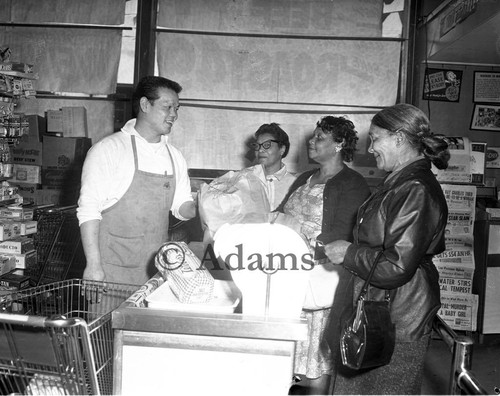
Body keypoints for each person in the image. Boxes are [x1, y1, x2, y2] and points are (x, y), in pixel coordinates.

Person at [324, 103, 449, 395]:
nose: (370, 148)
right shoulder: (399, 183)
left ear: (399, 138)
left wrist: (348, 253)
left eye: (376, 138)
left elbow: (396, 266)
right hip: (380, 308)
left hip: (397, 317)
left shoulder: (415, 188)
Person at [277, 116, 371, 395]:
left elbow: (346, 232)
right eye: (314, 136)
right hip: (287, 271)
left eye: (320, 137)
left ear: (339, 144)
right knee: (287, 355)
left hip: (322, 276)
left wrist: (306, 247)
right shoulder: (306, 178)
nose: (311, 141)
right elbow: (282, 214)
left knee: (317, 357)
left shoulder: (353, 183)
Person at [77, 76, 196, 285]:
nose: (174, 115)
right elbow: (88, 210)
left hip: (155, 271)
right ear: (144, 104)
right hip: (110, 271)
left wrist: (207, 203)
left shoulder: (174, 156)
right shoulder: (108, 149)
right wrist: (93, 266)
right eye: (167, 107)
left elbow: (182, 208)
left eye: (177, 108)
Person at [246, 123, 296, 210]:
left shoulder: (295, 185)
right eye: (257, 145)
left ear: (282, 149)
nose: (260, 150)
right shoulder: (244, 179)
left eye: (266, 145)